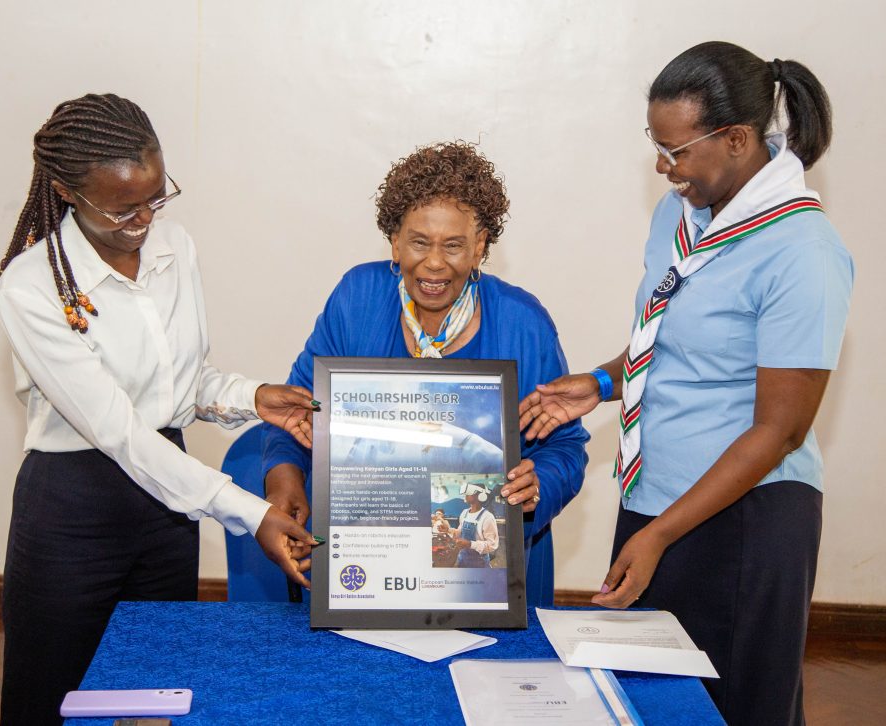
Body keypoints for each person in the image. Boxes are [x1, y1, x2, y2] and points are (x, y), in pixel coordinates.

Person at [519, 43, 853, 726]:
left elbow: (779, 429)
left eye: (677, 152)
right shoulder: (679, 216)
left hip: (743, 521)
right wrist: (602, 382)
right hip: (655, 498)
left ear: (735, 140)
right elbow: (671, 341)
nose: (663, 167)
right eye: (658, 147)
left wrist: (661, 535)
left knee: (731, 707)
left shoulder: (804, 252)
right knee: (642, 699)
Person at [0, 94, 319, 726]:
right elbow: (117, 429)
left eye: (155, 198)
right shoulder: (30, 285)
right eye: (122, 208)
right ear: (66, 191)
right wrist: (250, 513)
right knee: (49, 699)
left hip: (168, 506)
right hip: (71, 509)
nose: (144, 219)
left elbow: (180, 379)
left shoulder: (175, 248)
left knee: (154, 697)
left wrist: (249, 396)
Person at [261, 141, 589, 606]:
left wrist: (543, 482)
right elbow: (297, 414)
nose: (434, 262)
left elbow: (566, 447)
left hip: (487, 582)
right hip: (364, 563)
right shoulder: (356, 301)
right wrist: (285, 480)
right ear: (394, 242)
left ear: (480, 248)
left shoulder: (523, 323)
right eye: (419, 242)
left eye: (454, 245)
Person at [443, 482, 500, 567]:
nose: (466, 494)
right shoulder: (464, 513)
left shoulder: (487, 517)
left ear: (481, 495)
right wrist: (448, 530)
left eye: (469, 492)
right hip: (462, 559)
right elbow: (460, 532)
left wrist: (470, 544)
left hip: (479, 563)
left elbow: (492, 545)